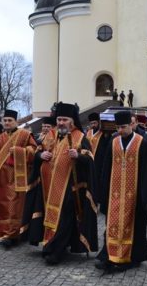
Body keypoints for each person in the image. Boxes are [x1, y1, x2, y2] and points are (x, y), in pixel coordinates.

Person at [23, 102, 97, 265]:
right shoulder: (50, 135)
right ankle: (50, 245)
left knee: (63, 219)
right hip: (47, 188)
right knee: (48, 217)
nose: (61, 122)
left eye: (64, 120)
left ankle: (56, 250)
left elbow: (90, 159)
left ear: (72, 121)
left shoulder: (80, 137)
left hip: (69, 188)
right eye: (59, 119)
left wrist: (78, 156)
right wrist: (40, 156)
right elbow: (37, 152)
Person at [95, 110, 147, 272]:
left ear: (131, 125)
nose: (120, 130)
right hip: (115, 194)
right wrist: (103, 193)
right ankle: (109, 255)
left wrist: (146, 195)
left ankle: (131, 258)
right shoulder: (113, 142)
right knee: (112, 225)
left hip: (135, 195)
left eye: (123, 127)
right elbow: (106, 168)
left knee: (135, 227)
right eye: (117, 127)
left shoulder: (142, 142)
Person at [0, 109, 37, 247]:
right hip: (3, 179)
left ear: (16, 122)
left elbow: (34, 151)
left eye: (9, 121)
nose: (7, 123)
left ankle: (12, 235)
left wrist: (20, 151)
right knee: (4, 207)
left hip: (19, 178)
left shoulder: (25, 134)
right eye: (5, 121)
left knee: (16, 207)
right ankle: (7, 231)